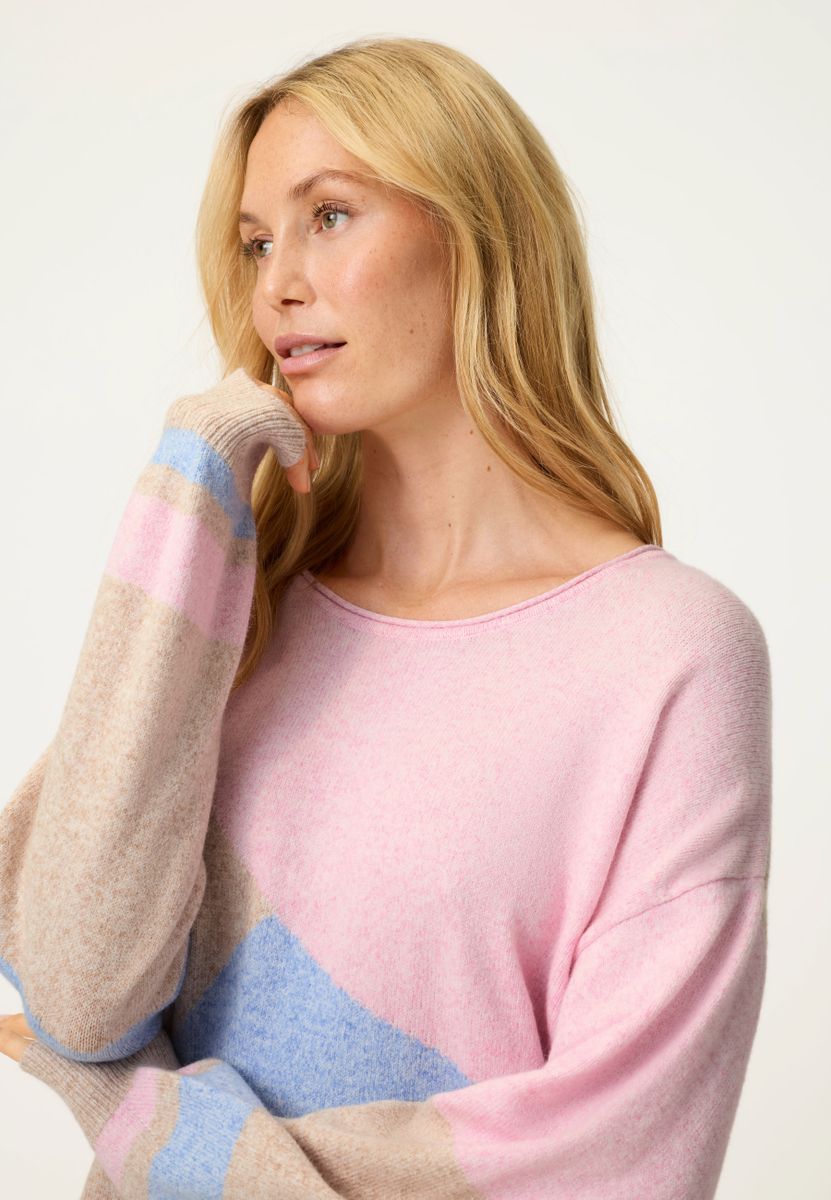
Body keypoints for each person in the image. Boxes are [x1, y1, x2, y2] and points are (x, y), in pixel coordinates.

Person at [0, 35, 771, 1200]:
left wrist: (142, 1116)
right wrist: (191, 477)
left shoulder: (672, 656)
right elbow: (75, 992)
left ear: (477, 232)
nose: (276, 285)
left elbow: (618, 1156)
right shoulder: (240, 618)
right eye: (256, 242)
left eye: (328, 216)